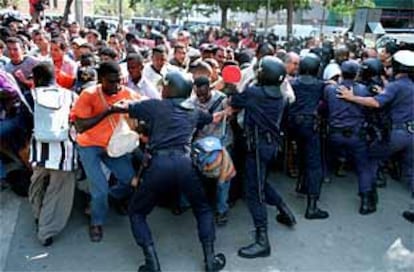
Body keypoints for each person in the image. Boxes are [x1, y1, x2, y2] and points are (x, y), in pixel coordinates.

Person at [112, 71, 226, 272]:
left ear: (169, 88)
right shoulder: (194, 110)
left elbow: (126, 107)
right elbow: (211, 118)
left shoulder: (155, 106)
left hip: (158, 165)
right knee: (202, 208)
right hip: (185, 164)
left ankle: (152, 263)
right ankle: (210, 260)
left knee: (137, 212)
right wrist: (226, 111)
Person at [229, 56, 295, 259]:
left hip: (257, 148)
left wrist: (233, 83)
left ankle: (262, 240)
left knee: (253, 191)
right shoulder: (282, 95)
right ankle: (284, 210)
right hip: (270, 146)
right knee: (259, 180)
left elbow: (235, 100)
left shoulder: (255, 93)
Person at [337, 50, 414, 223]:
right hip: (412, 134)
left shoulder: (396, 86)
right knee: (411, 173)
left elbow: (375, 103)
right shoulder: (406, 85)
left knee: (369, 160)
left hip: (397, 133)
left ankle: (368, 202)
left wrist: (352, 97)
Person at [71, 61, 141, 242]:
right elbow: (80, 126)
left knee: (129, 180)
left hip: (113, 146)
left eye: (119, 81)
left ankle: (101, 202)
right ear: (101, 80)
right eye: (111, 82)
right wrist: (109, 111)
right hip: (89, 146)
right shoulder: (88, 95)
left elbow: (146, 106)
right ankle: (97, 222)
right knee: (99, 188)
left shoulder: (126, 92)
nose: (116, 86)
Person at [28, 62, 78, 246]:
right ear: (54, 77)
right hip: (64, 153)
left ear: (38, 79)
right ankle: (46, 231)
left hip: (39, 151)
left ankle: (37, 216)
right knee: (57, 192)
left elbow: (25, 121)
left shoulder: (31, 96)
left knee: (37, 184)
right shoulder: (71, 95)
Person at [325, 60, 377, 215]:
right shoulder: (363, 90)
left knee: (325, 155)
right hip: (356, 135)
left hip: (335, 133)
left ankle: (323, 177)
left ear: (341, 73)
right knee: (363, 167)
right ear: (356, 75)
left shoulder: (330, 90)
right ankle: (366, 201)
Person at [288, 53, 329, 219]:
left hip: (293, 124)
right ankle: (312, 206)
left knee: (302, 155)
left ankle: (302, 186)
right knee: (314, 164)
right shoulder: (320, 85)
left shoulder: (293, 83)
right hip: (309, 125)